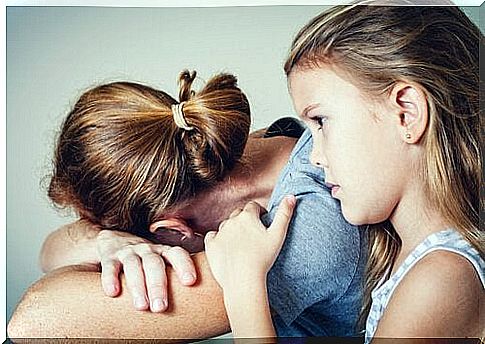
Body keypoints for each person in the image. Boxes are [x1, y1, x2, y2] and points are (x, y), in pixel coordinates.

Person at [7, 70, 366, 338]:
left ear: (170, 231)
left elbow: (32, 323)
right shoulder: (262, 146)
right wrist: (108, 242)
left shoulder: (308, 229)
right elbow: (50, 249)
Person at [204, 3, 484, 342]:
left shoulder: (442, 278)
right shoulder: (401, 254)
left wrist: (243, 284)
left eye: (321, 122)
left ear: (406, 114)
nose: (316, 157)